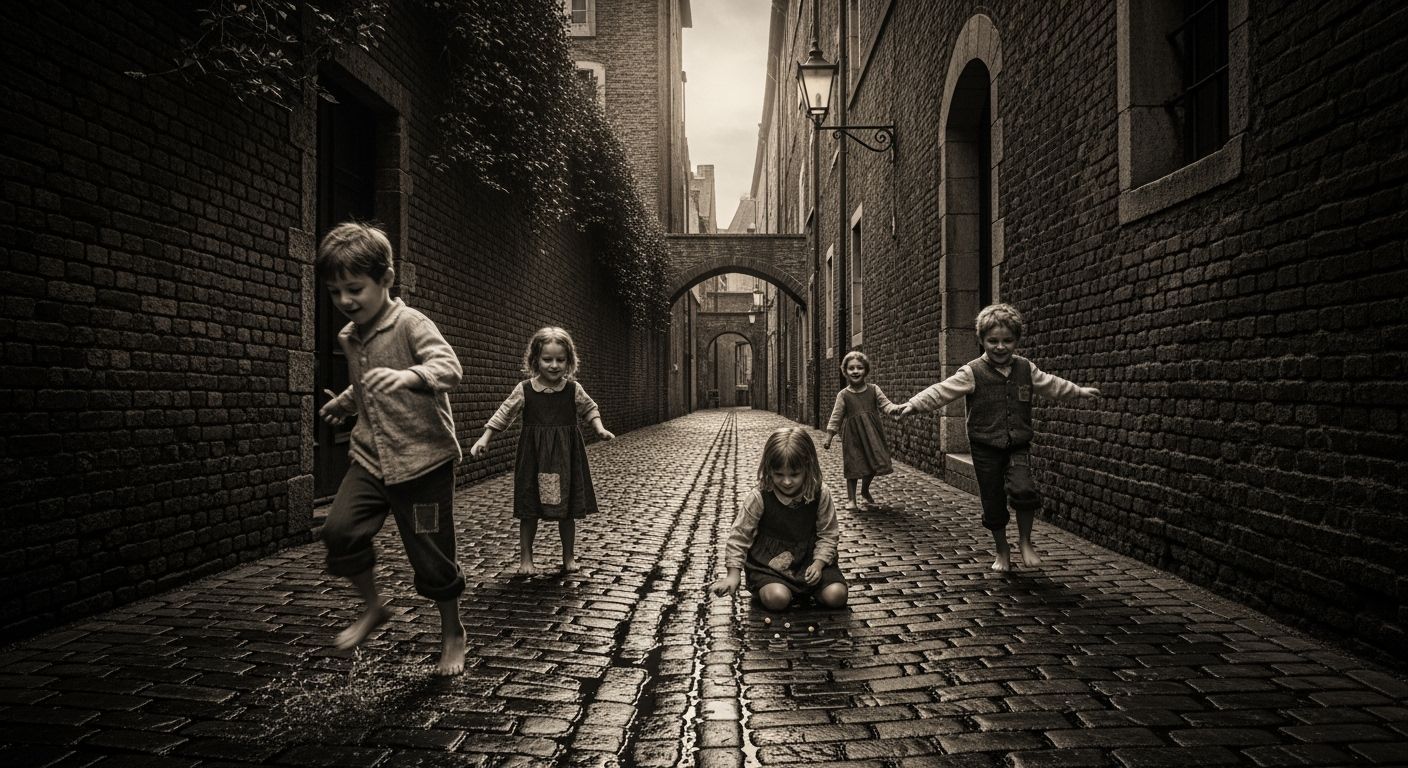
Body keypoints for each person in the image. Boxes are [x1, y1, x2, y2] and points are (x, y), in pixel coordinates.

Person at [315, 222, 467, 676]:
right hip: (371, 459)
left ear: (386, 279)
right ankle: (373, 607)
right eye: (335, 291)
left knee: (432, 555)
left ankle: (452, 632)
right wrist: (346, 403)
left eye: (355, 289)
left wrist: (409, 376)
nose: (345, 300)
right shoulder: (350, 335)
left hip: (423, 464)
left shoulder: (411, 324)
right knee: (339, 530)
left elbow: (449, 367)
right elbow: (367, 383)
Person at [895, 303, 1100, 572]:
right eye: (993, 341)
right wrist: (914, 404)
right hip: (985, 448)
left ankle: (1025, 541)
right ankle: (1002, 549)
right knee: (993, 501)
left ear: (1016, 340)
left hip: (1017, 445)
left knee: (1024, 490)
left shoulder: (1026, 368)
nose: (1000, 347)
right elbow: (942, 391)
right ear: (981, 340)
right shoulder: (972, 372)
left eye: (1007, 341)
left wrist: (1078, 392)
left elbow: (1052, 384)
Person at [470, 327, 612, 574]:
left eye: (560, 360)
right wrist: (485, 438)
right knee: (530, 507)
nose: (554, 365)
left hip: (565, 457)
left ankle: (568, 556)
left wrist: (599, 428)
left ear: (569, 361)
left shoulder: (573, 389)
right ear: (535, 360)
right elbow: (504, 413)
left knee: (566, 509)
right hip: (533, 457)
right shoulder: (525, 389)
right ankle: (526, 558)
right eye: (548, 359)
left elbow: (590, 408)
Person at [709, 427, 848, 611]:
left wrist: (818, 564)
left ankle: (810, 590)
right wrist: (733, 575)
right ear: (769, 469)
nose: (787, 482)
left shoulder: (820, 493)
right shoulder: (759, 497)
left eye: (794, 474)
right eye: (779, 474)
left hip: (810, 562)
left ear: (808, 467)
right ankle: (773, 590)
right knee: (778, 599)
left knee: (837, 595)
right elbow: (740, 536)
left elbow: (828, 534)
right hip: (770, 566)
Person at [824, 350, 900, 510]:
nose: (855, 371)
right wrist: (829, 436)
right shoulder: (843, 395)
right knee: (853, 465)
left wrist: (895, 409)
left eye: (859, 367)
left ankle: (865, 490)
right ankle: (851, 499)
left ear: (865, 370)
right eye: (851, 368)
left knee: (873, 463)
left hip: (872, 433)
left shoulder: (874, 389)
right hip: (853, 436)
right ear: (845, 372)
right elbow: (836, 416)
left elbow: (886, 404)